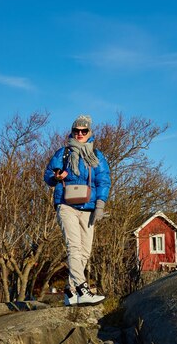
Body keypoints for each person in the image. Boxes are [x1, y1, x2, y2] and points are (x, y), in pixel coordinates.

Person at [44, 114, 111, 306]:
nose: (80, 134)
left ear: (89, 132)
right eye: (76, 131)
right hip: (66, 205)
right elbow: (48, 175)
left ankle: (70, 291)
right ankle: (83, 289)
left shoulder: (97, 155)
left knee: (84, 252)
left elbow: (103, 180)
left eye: (84, 131)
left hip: (88, 207)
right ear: (72, 132)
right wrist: (57, 176)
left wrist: (100, 205)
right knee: (73, 247)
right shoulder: (63, 153)